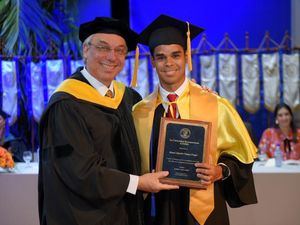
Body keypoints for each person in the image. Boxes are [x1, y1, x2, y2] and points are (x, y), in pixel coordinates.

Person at [38, 17, 178, 225]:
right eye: (103, 48)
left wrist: (187, 100)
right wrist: (138, 183)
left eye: (120, 50)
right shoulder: (67, 104)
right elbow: (80, 172)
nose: (112, 57)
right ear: (86, 50)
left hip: (126, 213)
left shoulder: (129, 97)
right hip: (84, 215)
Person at [132, 15, 257, 225]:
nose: (169, 63)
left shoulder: (214, 104)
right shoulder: (139, 112)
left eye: (176, 55)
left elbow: (240, 157)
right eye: (161, 57)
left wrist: (219, 171)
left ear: (187, 56)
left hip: (203, 212)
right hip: (155, 211)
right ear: (152, 61)